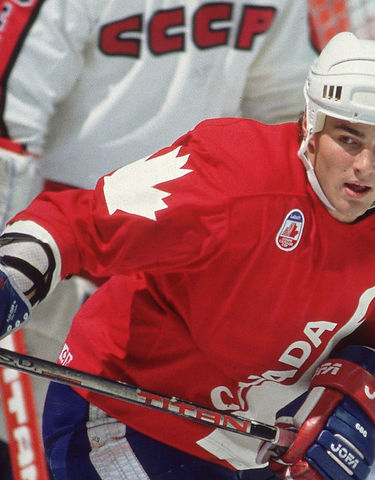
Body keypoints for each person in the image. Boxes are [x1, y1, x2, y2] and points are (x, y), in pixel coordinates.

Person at [0, 31, 375, 479]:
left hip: (252, 447)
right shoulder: (232, 174)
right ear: (312, 127)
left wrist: (349, 412)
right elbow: (78, 225)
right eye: (349, 138)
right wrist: (12, 277)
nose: (366, 165)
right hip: (121, 410)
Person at [0, 0, 316, 476]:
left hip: (194, 267)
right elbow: (10, 125)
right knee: (33, 447)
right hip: (65, 256)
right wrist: (16, 262)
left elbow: (289, 114)